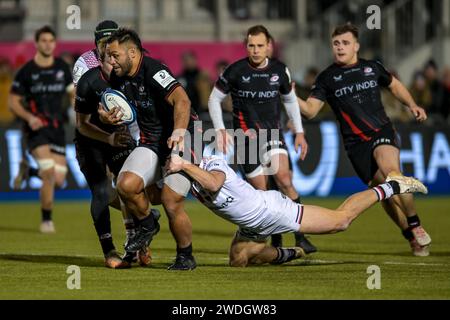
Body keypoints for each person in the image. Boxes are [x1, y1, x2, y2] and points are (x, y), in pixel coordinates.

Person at [297, 23, 432, 256]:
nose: (340, 48)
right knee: (385, 194)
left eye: (345, 43)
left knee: (393, 175)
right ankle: (410, 236)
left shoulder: (371, 68)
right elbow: (310, 111)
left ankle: (415, 223)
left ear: (356, 46)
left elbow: (394, 85)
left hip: (381, 132)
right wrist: (288, 96)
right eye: (336, 43)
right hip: (355, 146)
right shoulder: (327, 77)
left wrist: (412, 105)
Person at [166, 154, 428, 267]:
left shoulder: (213, 162)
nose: (172, 161)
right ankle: (288, 253)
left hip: (272, 210)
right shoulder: (188, 177)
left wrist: (184, 165)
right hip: (251, 225)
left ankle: (392, 186)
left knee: (341, 221)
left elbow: (213, 183)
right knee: (238, 260)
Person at [208, 25, 316, 253]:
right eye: (251, 45)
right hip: (245, 141)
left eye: (260, 45)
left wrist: (299, 132)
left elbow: (290, 101)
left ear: (269, 46)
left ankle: (300, 235)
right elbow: (213, 99)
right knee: (263, 193)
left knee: (284, 178)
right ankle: (276, 238)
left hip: (272, 134)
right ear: (246, 46)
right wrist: (220, 129)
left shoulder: (280, 70)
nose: (255, 50)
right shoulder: (234, 71)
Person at [105, 28, 200, 270]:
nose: (111, 61)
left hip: (185, 136)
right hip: (151, 140)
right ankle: (148, 223)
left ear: (133, 52)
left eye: (115, 55)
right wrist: (106, 116)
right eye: (109, 56)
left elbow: (183, 100)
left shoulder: (155, 71)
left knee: (170, 200)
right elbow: (109, 107)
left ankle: (185, 255)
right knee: (124, 186)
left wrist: (179, 132)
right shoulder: (118, 77)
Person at [9, 25, 74, 233]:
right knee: (48, 172)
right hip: (36, 129)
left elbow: (72, 95)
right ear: (37, 43)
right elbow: (13, 102)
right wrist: (29, 117)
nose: (48, 44)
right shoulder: (26, 71)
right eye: (43, 40)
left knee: (59, 179)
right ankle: (47, 220)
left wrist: (78, 111)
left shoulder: (63, 68)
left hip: (57, 128)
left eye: (51, 40)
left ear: (55, 44)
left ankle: (28, 171)